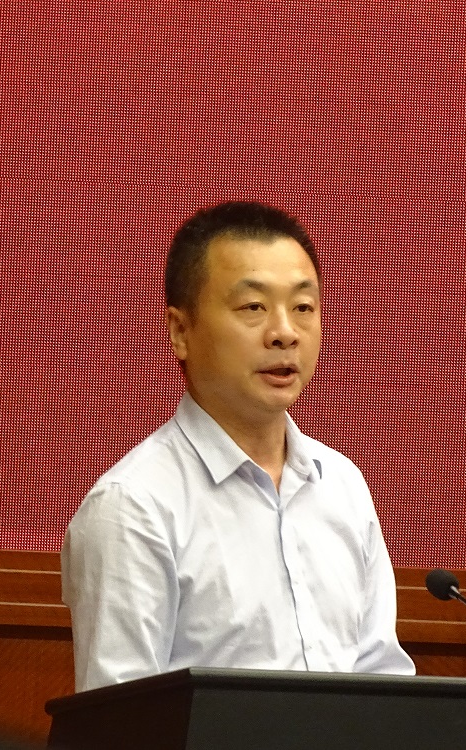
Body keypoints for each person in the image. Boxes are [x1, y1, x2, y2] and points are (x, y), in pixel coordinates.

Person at [61, 201, 415, 690]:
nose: (284, 333)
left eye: (303, 308)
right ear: (180, 332)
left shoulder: (341, 486)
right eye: (253, 308)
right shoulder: (134, 506)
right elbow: (120, 715)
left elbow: (383, 684)